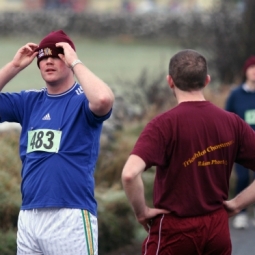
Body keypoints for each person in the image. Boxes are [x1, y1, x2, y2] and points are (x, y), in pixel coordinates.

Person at [121, 49, 255, 255]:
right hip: (217, 230)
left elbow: (129, 174)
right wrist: (237, 204)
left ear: (170, 81)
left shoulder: (162, 126)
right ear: (207, 80)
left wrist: (142, 212)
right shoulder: (233, 123)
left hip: (175, 232)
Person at [0, 30, 114, 255]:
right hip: (29, 216)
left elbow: (103, 99)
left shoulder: (83, 100)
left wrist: (75, 61)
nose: (49, 61)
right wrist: (14, 66)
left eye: (57, 55)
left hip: (70, 214)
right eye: (43, 57)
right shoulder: (29, 101)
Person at [225, 55, 255, 229]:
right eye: (252, 69)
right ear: (246, 72)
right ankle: (241, 213)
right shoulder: (236, 94)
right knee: (243, 177)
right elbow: (227, 116)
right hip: (242, 145)